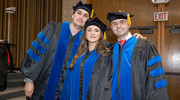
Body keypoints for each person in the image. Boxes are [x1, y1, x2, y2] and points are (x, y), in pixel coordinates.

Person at [20, 1, 94, 100]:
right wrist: (29, 80)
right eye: (79, 13)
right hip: (43, 85)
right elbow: (36, 52)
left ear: (87, 20)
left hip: (66, 91)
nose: (81, 17)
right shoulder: (54, 28)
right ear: (73, 15)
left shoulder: (84, 41)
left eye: (85, 15)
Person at [106, 11, 169, 100]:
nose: (118, 26)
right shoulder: (110, 49)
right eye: (114, 23)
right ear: (111, 27)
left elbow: (155, 78)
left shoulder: (144, 45)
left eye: (122, 22)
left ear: (129, 24)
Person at [69, 17, 112, 100]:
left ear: (100, 35)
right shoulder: (80, 54)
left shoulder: (105, 55)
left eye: (96, 30)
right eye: (89, 30)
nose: (92, 33)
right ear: (85, 34)